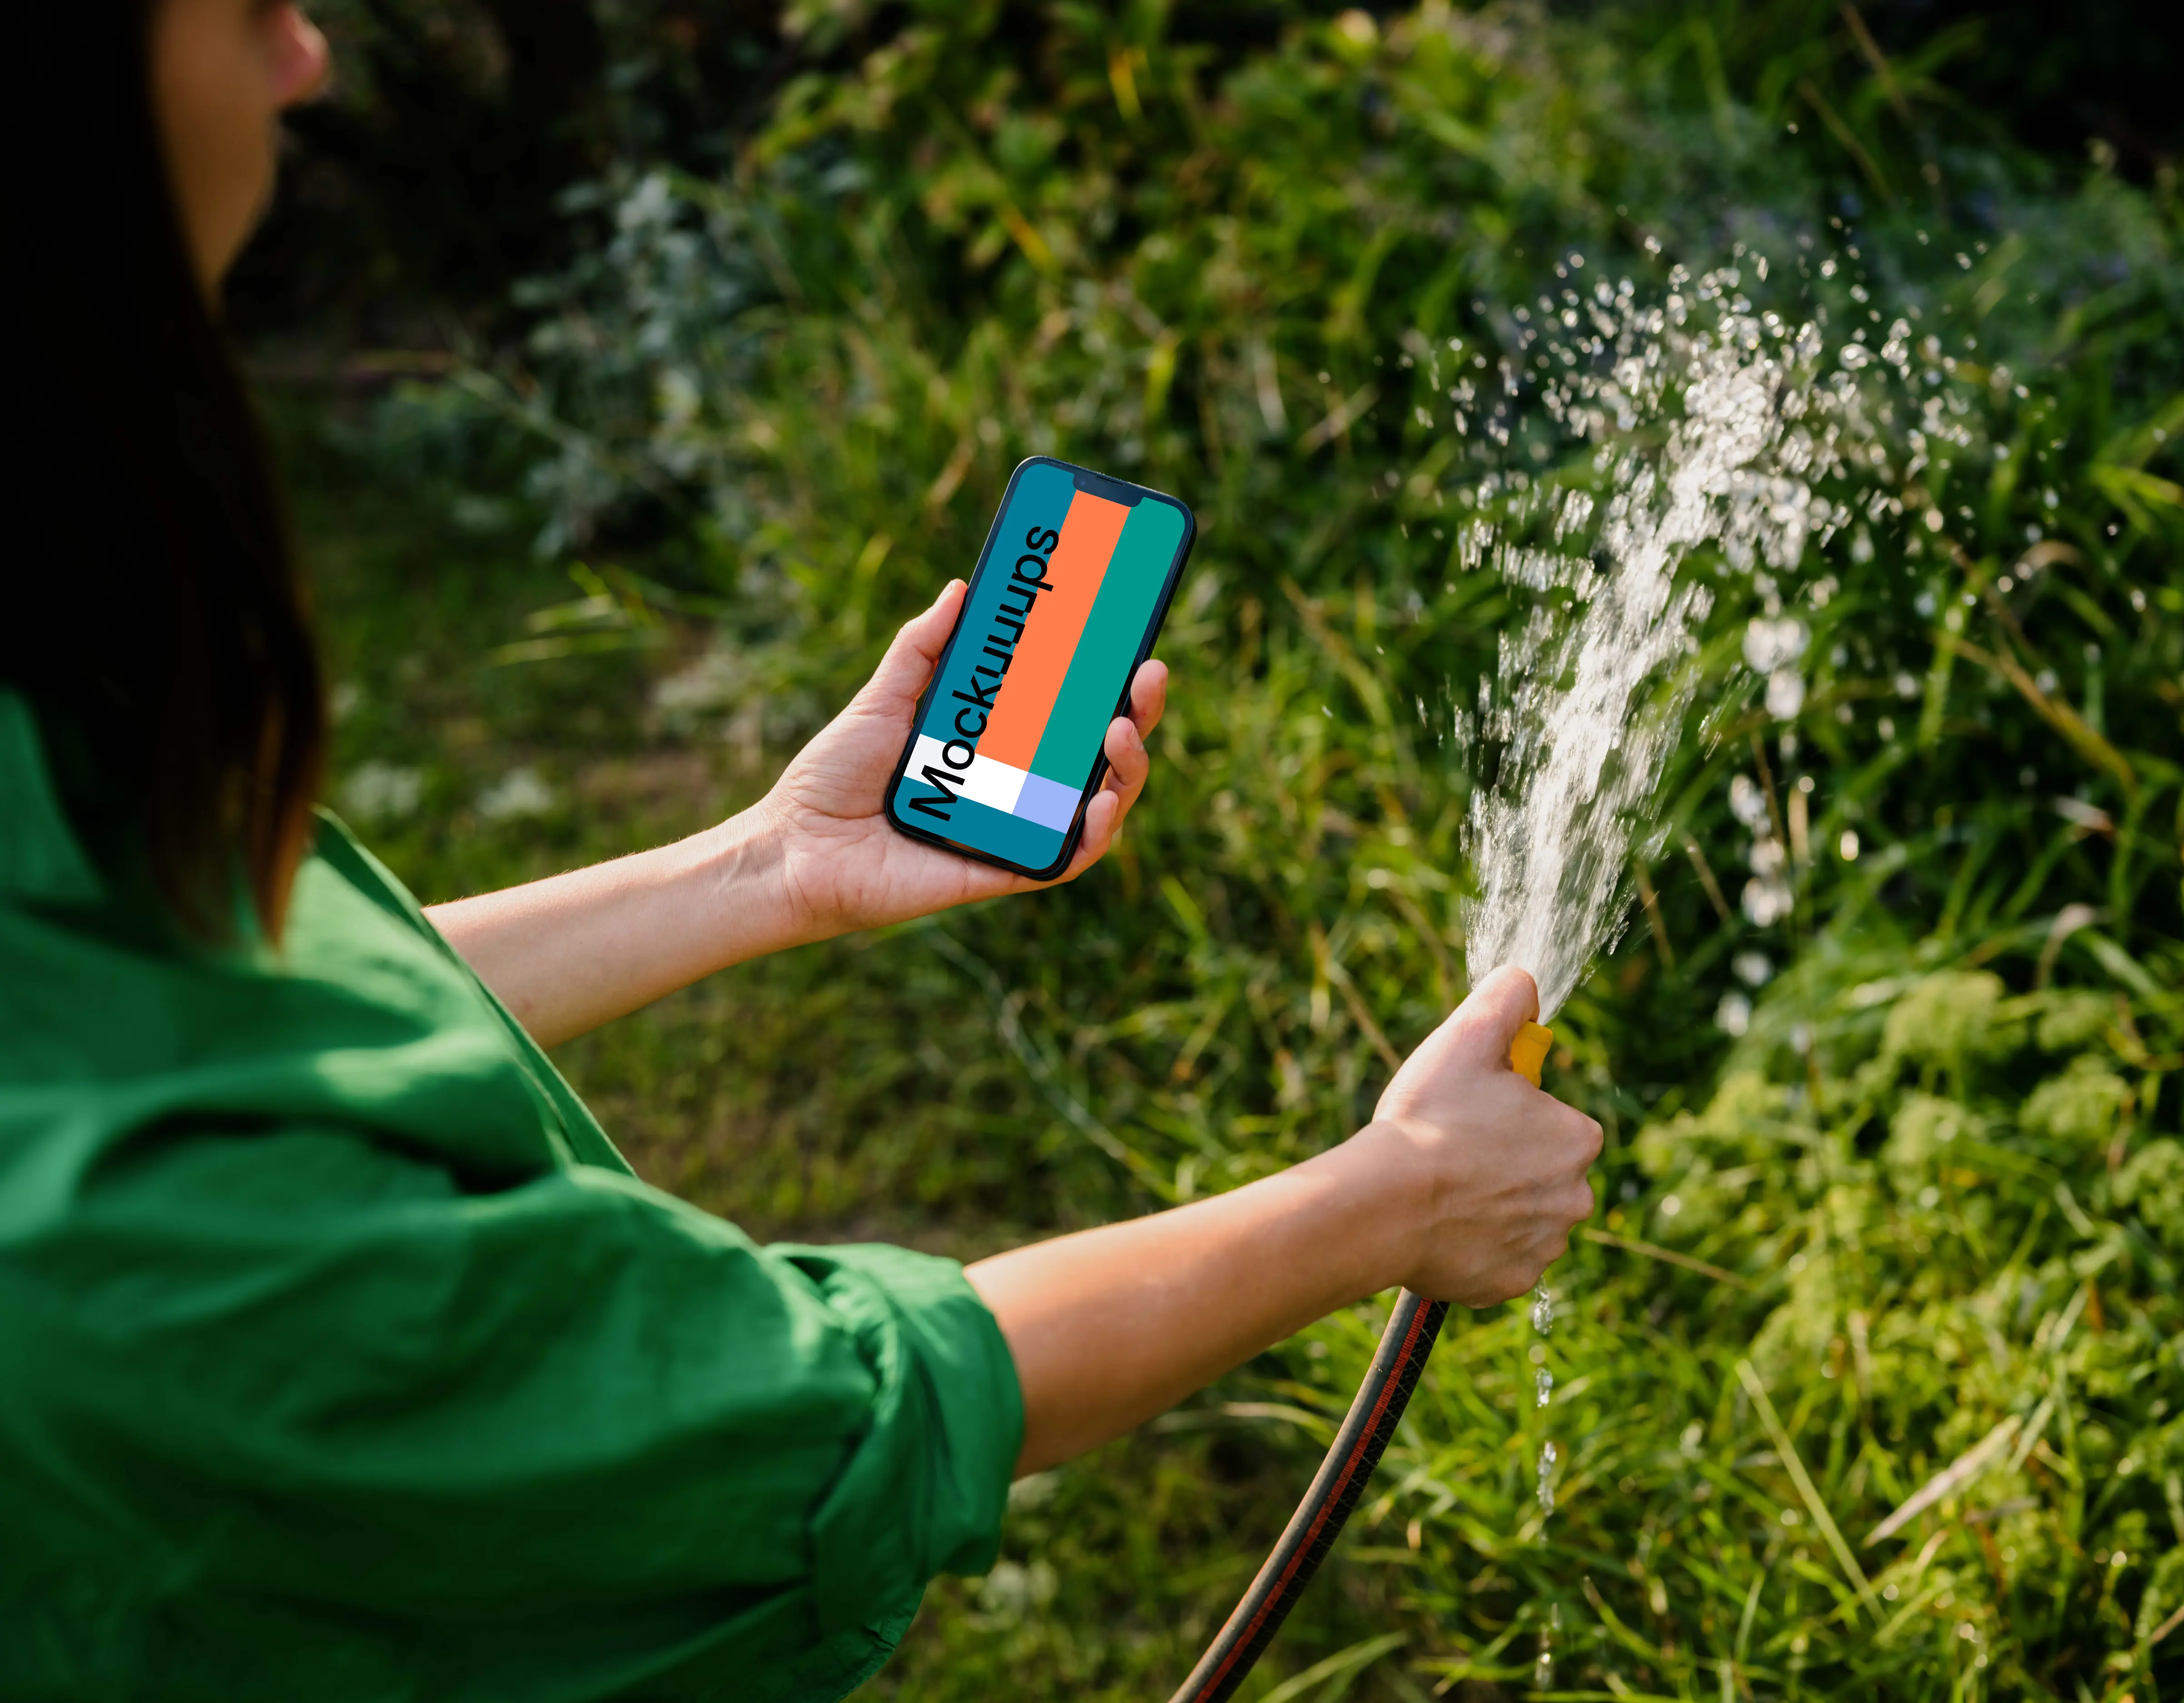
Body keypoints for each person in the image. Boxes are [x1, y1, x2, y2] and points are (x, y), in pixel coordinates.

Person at [0, 3, 1603, 1698]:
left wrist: (771, 863)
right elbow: (826, 1425)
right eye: (247, 6)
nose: (310, 55)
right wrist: (1391, 1198)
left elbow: (255, 1006)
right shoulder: (151, 1233)